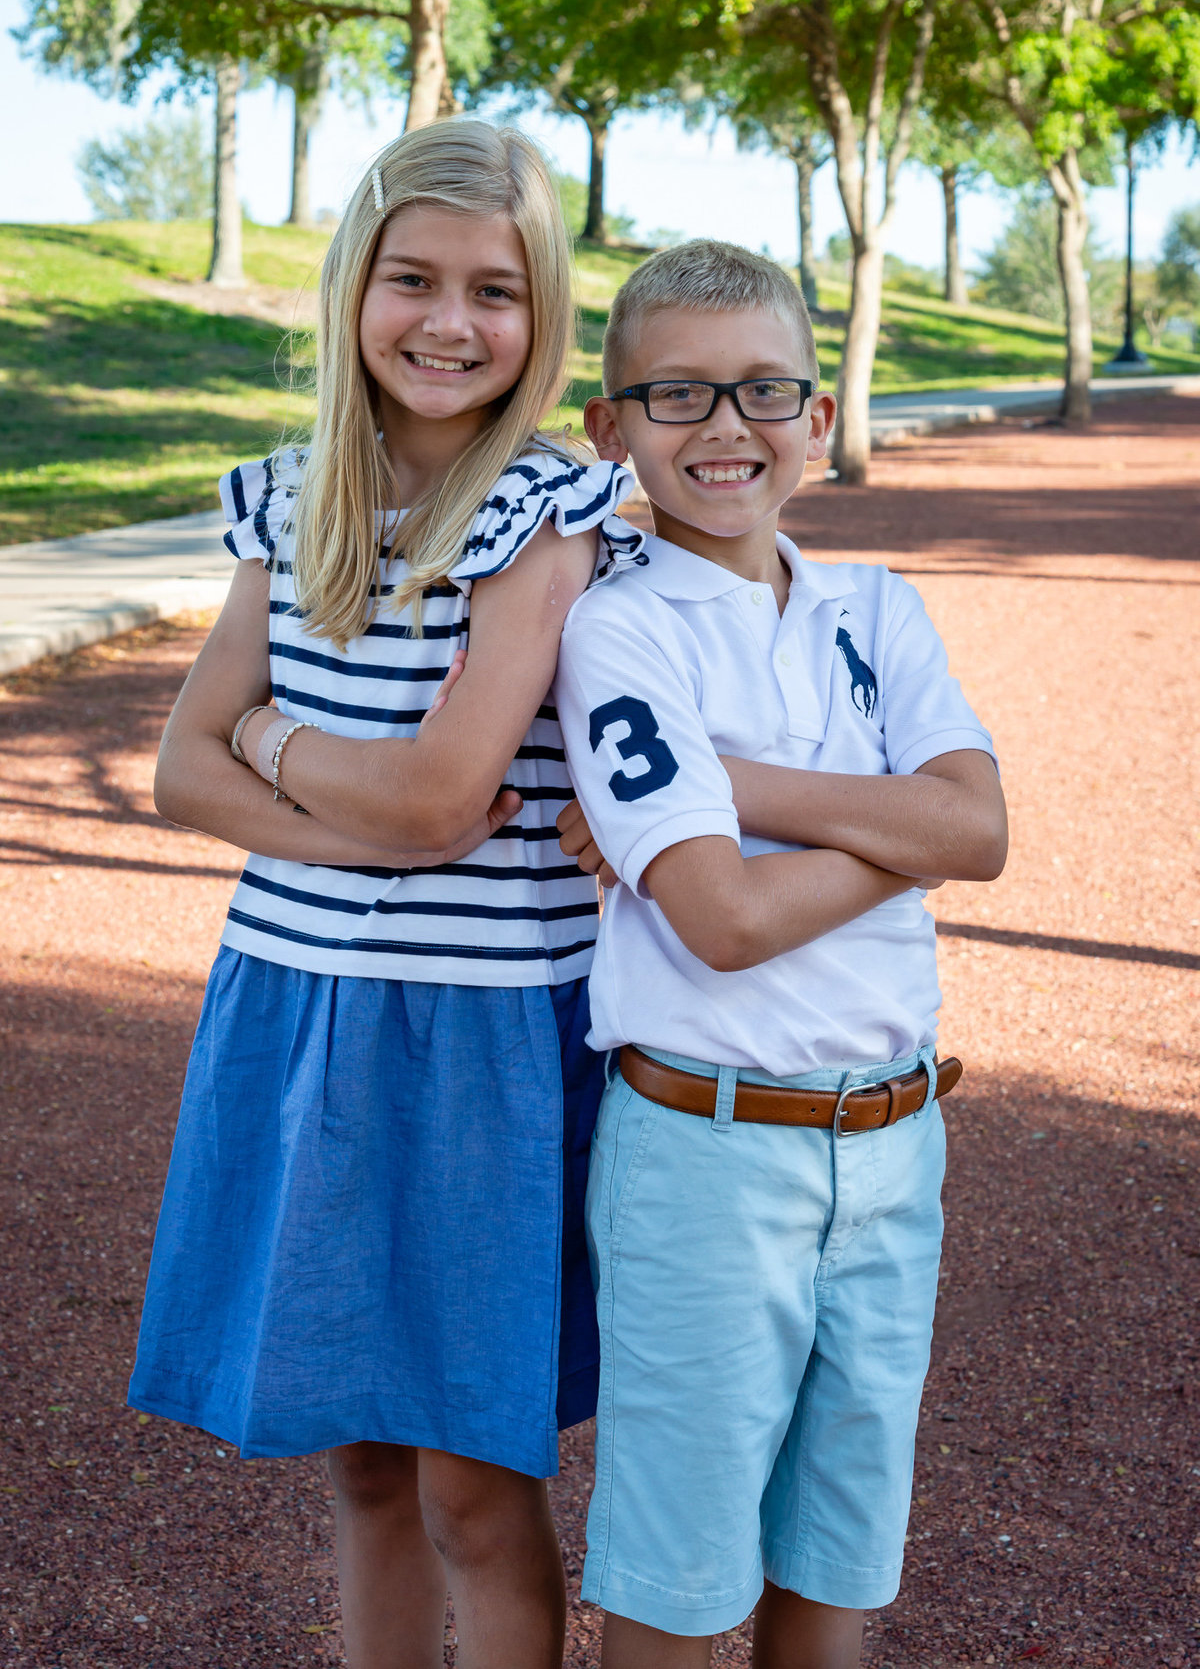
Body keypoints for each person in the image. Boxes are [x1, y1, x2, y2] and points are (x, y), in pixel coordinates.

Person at [128, 118, 641, 1669]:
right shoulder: (287, 503)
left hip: (483, 1038)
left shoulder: (545, 511)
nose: (449, 320)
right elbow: (179, 773)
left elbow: (437, 793)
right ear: (355, 286)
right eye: (413, 277)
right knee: (354, 1459)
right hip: (296, 1010)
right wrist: (338, 811)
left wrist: (275, 746)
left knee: (477, 1485)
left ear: (541, 317)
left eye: (496, 290)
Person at [552, 240, 1008, 1669]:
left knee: (839, 1555)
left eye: (764, 390)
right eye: (677, 394)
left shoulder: (880, 606)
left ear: (818, 417)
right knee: (681, 1578)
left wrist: (732, 782)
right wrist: (911, 829)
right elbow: (725, 923)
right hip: (706, 1147)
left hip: (894, 1140)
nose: (727, 427)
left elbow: (982, 829)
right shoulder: (618, 629)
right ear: (611, 429)